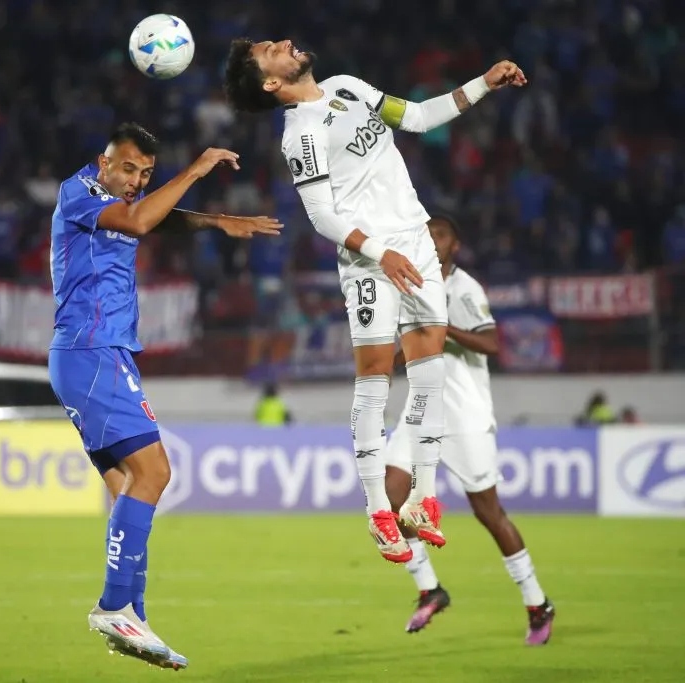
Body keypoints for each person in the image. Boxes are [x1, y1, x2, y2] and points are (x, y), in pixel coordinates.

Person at [223, 37, 526, 563]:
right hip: (370, 260)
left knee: (430, 373)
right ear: (271, 82)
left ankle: (422, 499)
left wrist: (483, 84)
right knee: (375, 378)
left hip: (416, 241)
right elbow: (321, 216)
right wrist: (380, 253)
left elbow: (418, 118)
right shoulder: (300, 134)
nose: (286, 43)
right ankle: (378, 511)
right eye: (272, 50)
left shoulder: (347, 86)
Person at [49, 122, 282, 670]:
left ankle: (133, 615)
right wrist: (196, 169)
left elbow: (154, 218)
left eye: (146, 173)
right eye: (128, 169)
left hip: (97, 354)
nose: (136, 181)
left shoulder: (114, 201)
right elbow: (138, 220)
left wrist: (216, 221)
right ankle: (114, 607)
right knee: (155, 473)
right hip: (91, 351)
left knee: (127, 487)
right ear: (103, 162)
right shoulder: (77, 192)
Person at [384, 215, 556, 645]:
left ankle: (537, 602)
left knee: (488, 513)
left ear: (455, 246)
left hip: (464, 416)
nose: (433, 240)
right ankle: (430, 589)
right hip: (421, 410)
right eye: (427, 234)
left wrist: (444, 327)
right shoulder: (412, 286)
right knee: (390, 493)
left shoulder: (465, 289)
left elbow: (492, 343)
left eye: (441, 235)